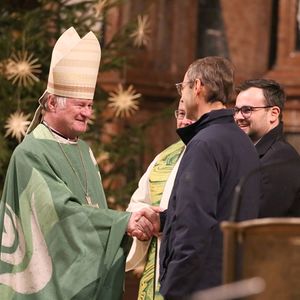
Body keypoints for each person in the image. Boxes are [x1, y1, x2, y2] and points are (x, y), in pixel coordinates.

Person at [0, 27, 159, 300]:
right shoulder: (30, 152)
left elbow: (91, 209)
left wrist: (125, 223)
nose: (88, 113)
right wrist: (122, 224)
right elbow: (62, 217)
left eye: (90, 105)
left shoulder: (84, 151)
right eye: (80, 105)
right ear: (52, 102)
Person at [158, 56, 262, 299]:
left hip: (199, 286)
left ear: (197, 86)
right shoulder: (242, 142)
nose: (181, 95)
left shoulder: (204, 143)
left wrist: (174, 289)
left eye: (182, 87)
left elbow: (194, 224)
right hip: (231, 280)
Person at [126, 99, 193, 300]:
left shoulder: (212, 153)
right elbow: (137, 202)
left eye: (191, 115)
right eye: (181, 114)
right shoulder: (164, 158)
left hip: (189, 265)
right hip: (157, 259)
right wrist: (142, 221)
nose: (185, 121)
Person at [234, 78, 300, 217]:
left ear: (273, 113)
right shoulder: (250, 151)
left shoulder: (280, 159)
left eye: (247, 110)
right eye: (236, 110)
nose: (238, 117)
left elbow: (257, 223)